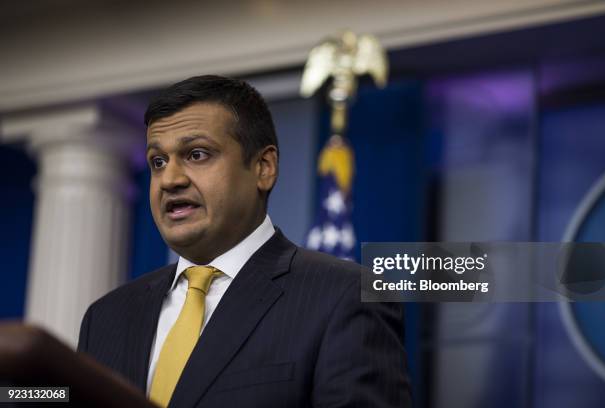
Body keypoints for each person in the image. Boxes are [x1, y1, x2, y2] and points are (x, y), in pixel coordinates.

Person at [77, 75, 412, 407]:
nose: (170, 180)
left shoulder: (343, 295)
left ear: (264, 168)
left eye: (196, 154)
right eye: (158, 162)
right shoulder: (106, 318)